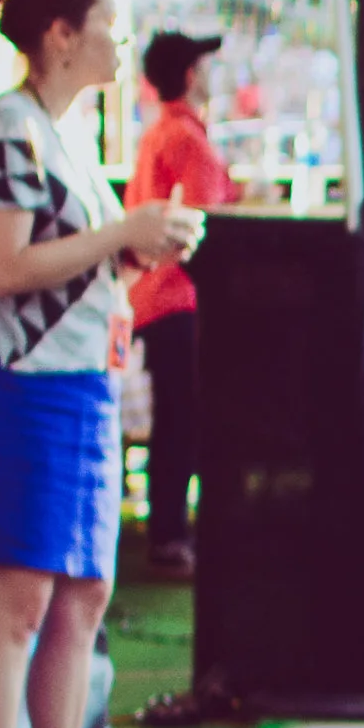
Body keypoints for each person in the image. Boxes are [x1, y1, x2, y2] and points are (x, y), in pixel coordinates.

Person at [0, 0, 203, 728]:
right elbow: (7, 270)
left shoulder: (64, 134)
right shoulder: (6, 132)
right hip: (17, 390)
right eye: (110, 22)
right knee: (16, 604)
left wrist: (138, 253)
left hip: (76, 387)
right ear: (61, 33)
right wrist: (120, 232)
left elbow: (77, 280)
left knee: (80, 599)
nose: (122, 39)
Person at [126, 28, 236, 575]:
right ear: (191, 75)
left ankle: (167, 531)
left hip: (153, 296)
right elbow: (205, 224)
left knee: (174, 419)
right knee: (182, 421)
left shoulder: (159, 133)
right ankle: (170, 536)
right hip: (178, 300)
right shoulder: (186, 140)